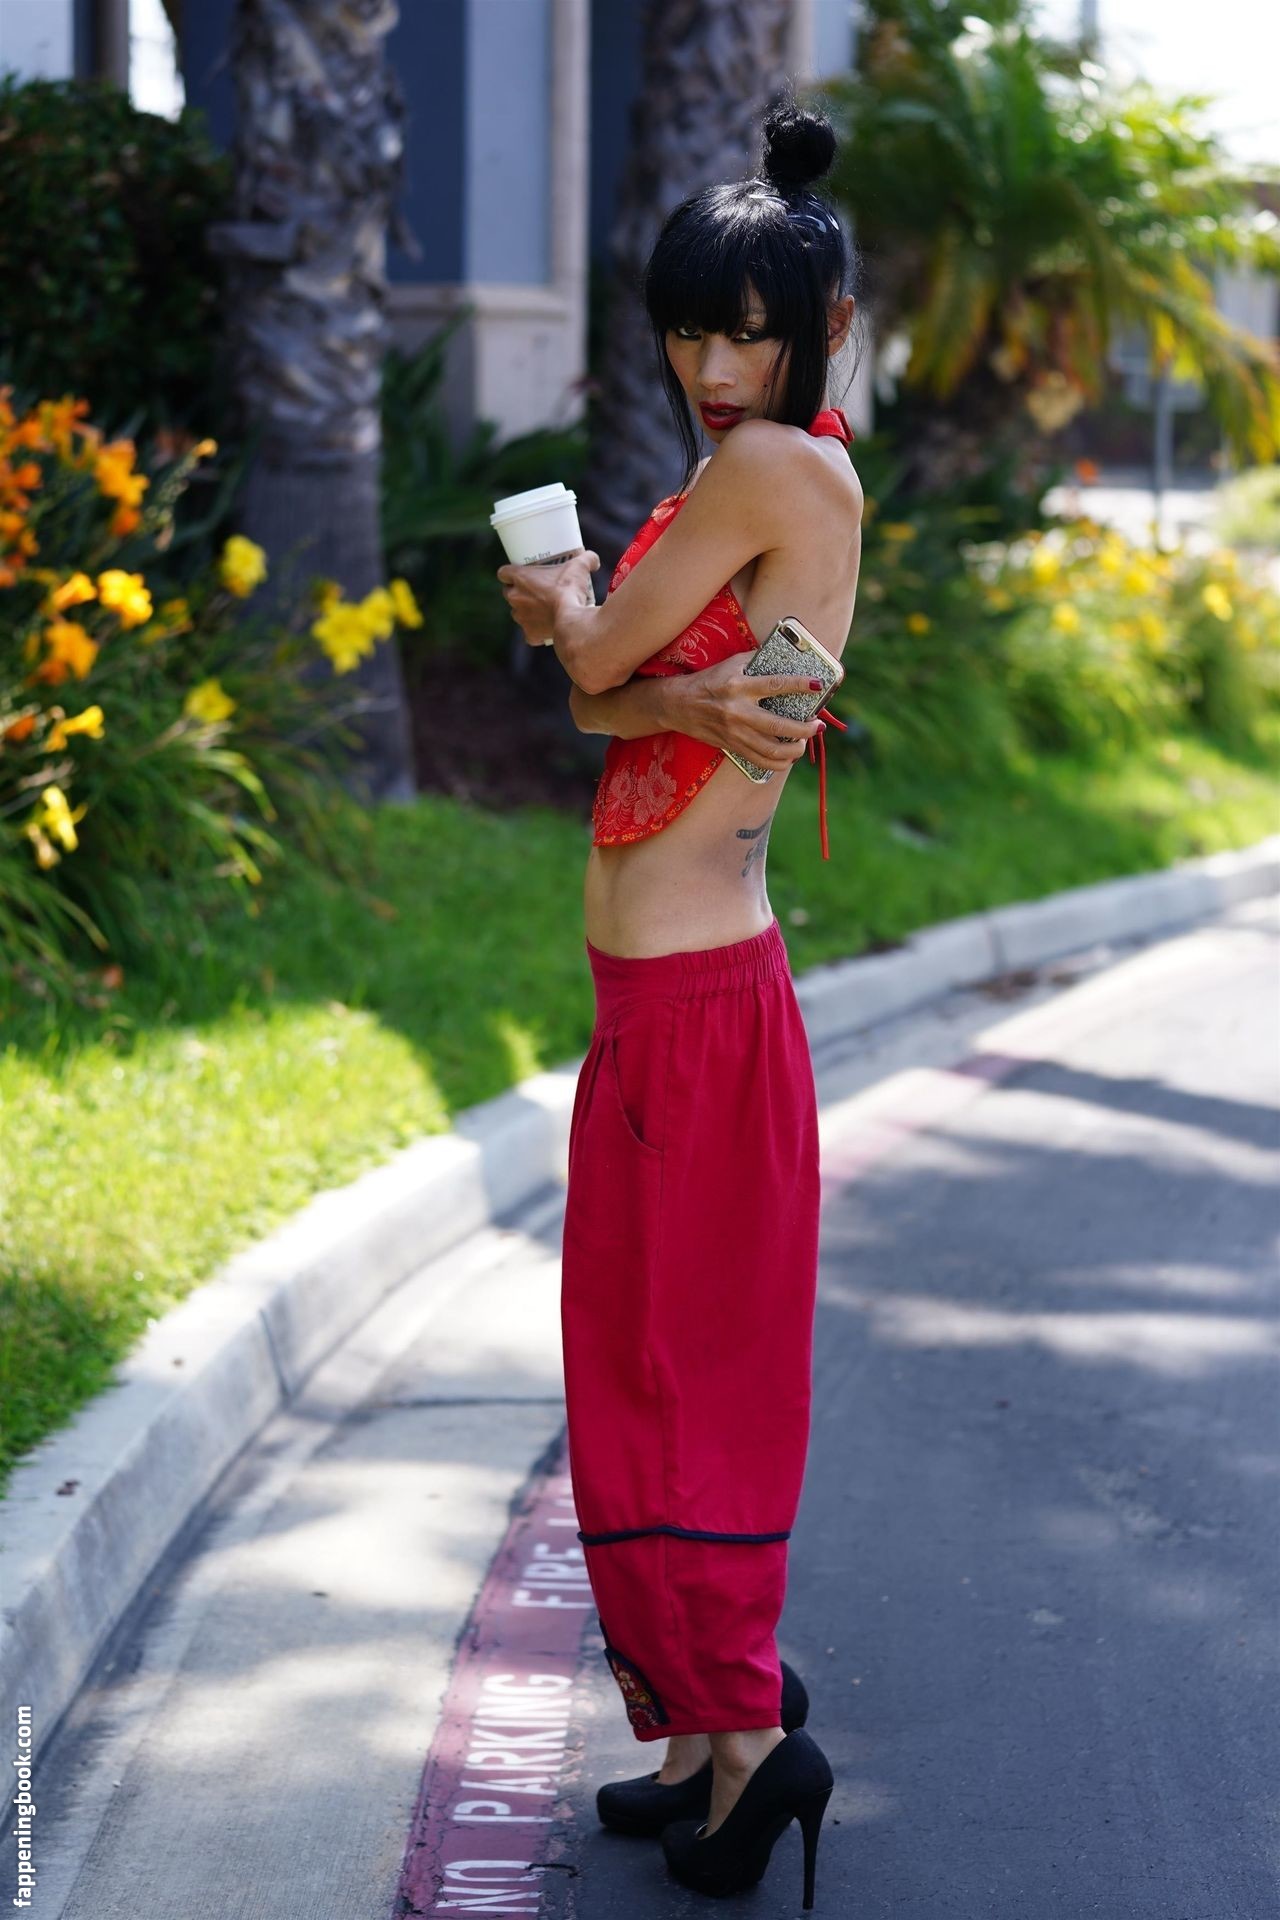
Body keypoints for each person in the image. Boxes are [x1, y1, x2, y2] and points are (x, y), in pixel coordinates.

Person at [495, 86, 863, 1910]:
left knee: (678, 1381)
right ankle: (697, 1730)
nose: (716, 368)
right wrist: (643, 684)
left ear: (821, 334)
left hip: (700, 1014)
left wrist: (562, 596)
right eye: (692, 332)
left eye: (753, 334)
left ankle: (744, 1746)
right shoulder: (769, 473)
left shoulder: (765, 472)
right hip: (673, 1009)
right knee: (643, 1365)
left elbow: (588, 657)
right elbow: (609, 702)